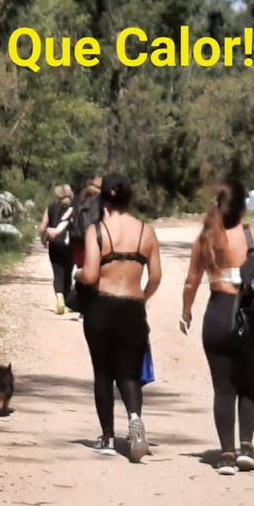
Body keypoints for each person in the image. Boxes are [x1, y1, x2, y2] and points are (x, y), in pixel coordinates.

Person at [180, 179, 254, 475]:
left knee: (223, 389)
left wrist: (186, 311)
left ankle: (226, 454)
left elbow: (191, 282)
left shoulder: (206, 238)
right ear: (244, 208)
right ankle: (246, 447)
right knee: (249, 383)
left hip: (218, 315)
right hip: (251, 314)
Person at [77, 173, 162, 461]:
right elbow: (156, 277)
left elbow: (90, 274)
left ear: (103, 199)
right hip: (132, 308)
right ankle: (135, 418)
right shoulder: (147, 232)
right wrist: (142, 298)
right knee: (129, 373)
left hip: (101, 306)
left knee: (103, 372)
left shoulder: (96, 231)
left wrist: (78, 275)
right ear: (130, 198)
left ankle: (107, 437)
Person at [38, 185, 75, 315]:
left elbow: (42, 227)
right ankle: (66, 302)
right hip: (70, 244)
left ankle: (60, 299)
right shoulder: (74, 208)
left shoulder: (51, 207)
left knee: (58, 272)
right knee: (68, 272)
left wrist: (43, 237)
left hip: (55, 244)